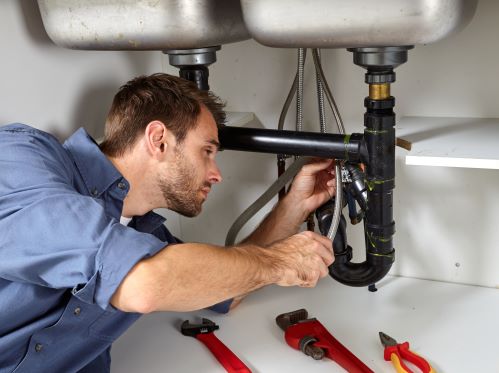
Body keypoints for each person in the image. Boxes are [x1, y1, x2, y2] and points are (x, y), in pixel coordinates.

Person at [0, 73, 335, 372]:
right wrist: (278, 261)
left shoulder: (144, 235)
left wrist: (295, 206)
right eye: (207, 151)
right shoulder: (22, 159)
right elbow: (143, 284)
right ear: (158, 139)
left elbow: (227, 291)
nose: (217, 174)